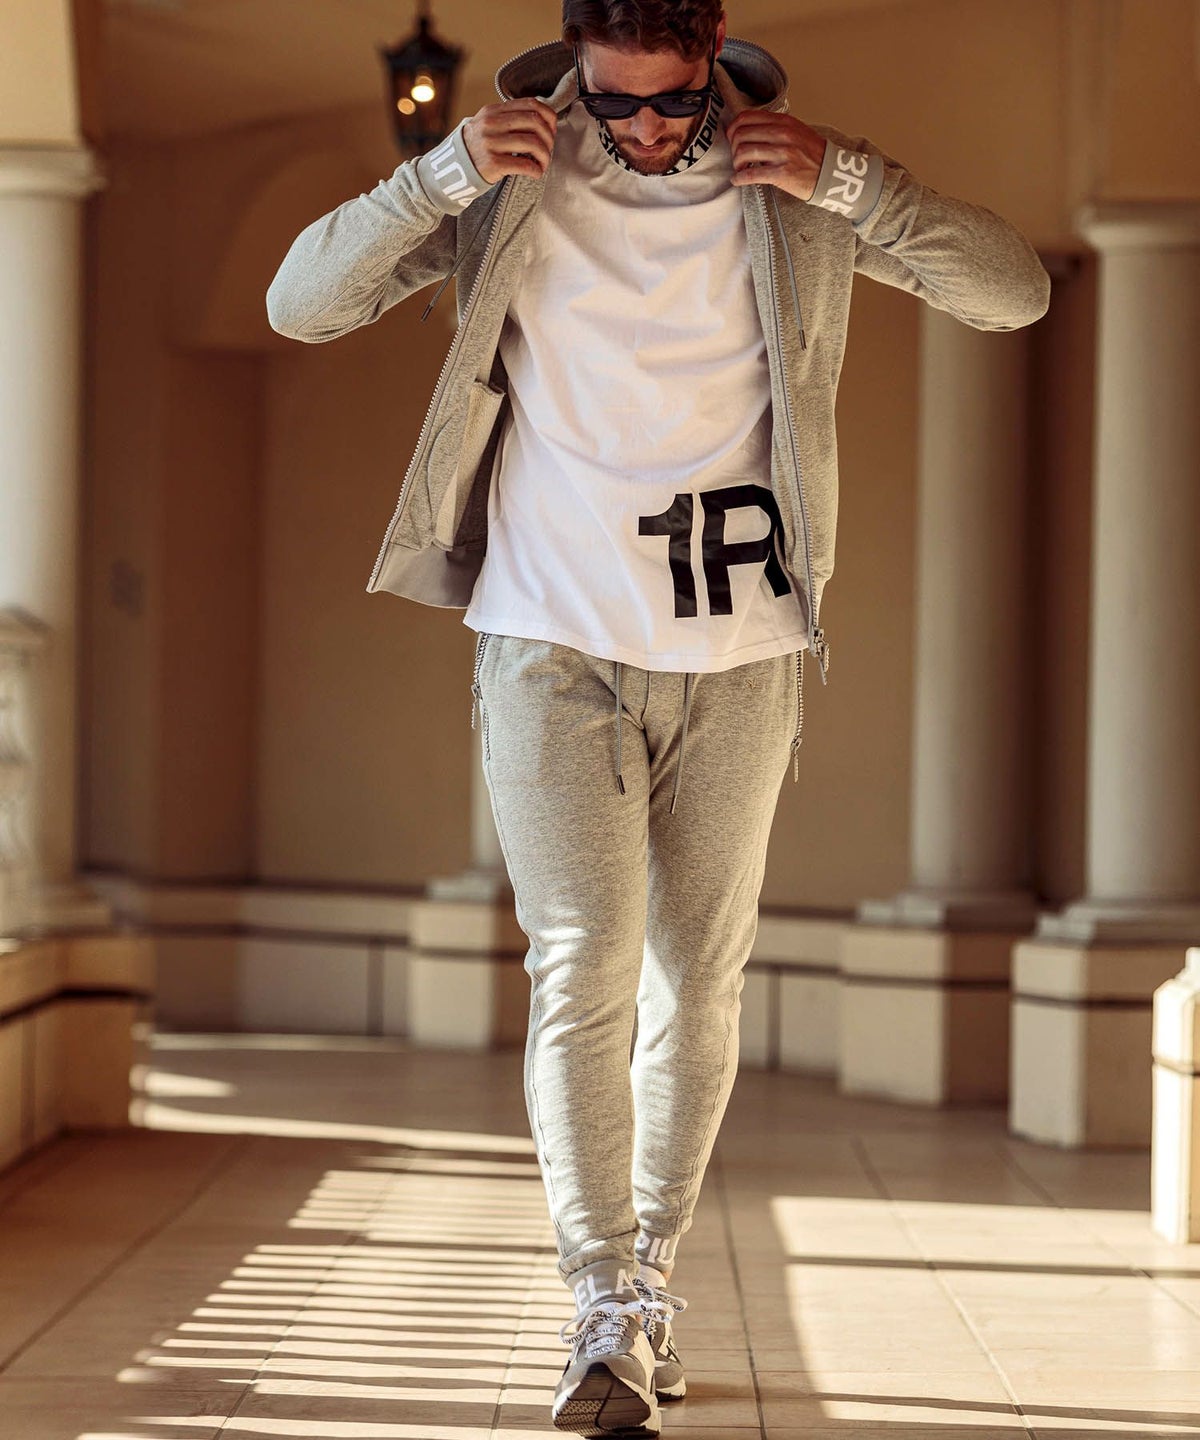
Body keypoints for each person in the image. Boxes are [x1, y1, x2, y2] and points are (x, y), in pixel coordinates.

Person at [266, 2, 1050, 1433]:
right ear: (574, 63)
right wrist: (438, 174)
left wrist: (857, 183)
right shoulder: (510, 175)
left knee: (697, 978)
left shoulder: (793, 180)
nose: (638, 130)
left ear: (715, 56)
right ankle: (601, 1294)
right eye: (611, 99)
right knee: (582, 963)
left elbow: (1012, 294)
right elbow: (298, 303)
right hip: (548, 637)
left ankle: (648, 1284)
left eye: (669, 101)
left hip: (741, 650)